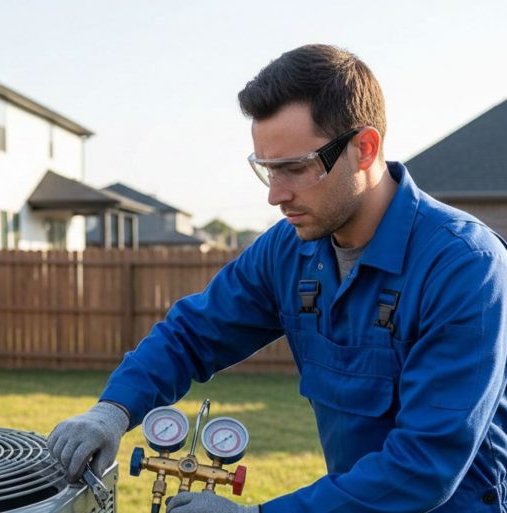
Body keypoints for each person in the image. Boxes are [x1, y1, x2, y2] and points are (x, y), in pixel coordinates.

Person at [48, 44, 507, 513]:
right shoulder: (289, 251)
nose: (275, 195)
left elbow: (424, 465)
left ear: (364, 149)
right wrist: (112, 410)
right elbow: (192, 334)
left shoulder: (465, 265)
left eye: (295, 168)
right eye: (267, 169)